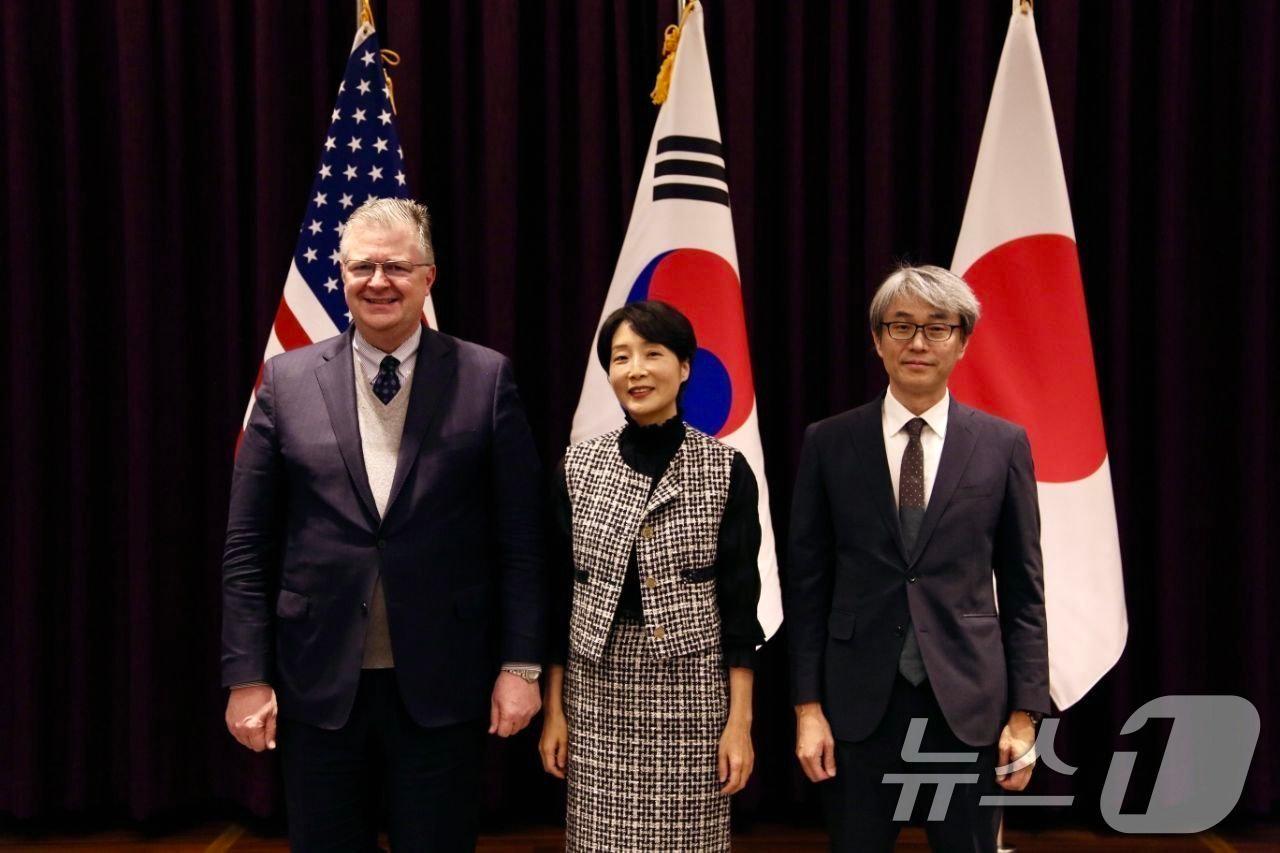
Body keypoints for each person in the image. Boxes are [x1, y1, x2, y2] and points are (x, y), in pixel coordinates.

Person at [221, 198, 546, 851]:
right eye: (362, 265)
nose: (378, 281)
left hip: (444, 681)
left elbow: (523, 537)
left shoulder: (486, 378)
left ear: (429, 277)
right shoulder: (285, 382)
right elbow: (247, 545)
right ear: (339, 276)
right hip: (317, 683)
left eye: (396, 265)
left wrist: (523, 664)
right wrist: (246, 675)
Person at [785, 265, 1049, 852]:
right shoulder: (829, 443)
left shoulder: (1002, 444)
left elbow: (1026, 591)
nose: (918, 343)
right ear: (876, 340)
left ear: (963, 342)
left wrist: (1025, 715)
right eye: (900, 326)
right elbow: (806, 586)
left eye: (937, 328)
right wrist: (808, 707)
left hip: (968, 703)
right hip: (857, 705)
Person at [538, 300, 764, 852]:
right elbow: (557, 598)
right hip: (597, 694)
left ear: (684, 367)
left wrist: (739, 723)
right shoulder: (577, 466)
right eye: (621, 358)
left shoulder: (724, 468)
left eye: (652, 354)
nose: (635, 370)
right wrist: (554, 710)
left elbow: (740, 607)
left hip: (692, 695)